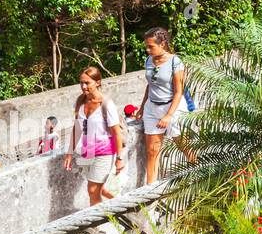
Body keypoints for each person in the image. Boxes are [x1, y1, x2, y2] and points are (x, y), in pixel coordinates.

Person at [64, 67, 125, 205]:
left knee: (92, 190)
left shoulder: (106, 104)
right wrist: (69, 153)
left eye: (87, 83)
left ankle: (97, 225)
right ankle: (126, 206)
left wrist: (119, 158)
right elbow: (77, 128)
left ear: (97, 82)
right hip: (87, 152)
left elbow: (116, 132)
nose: (83, 86)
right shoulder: (80, 101)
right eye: (81, 83)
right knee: (100, 189)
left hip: (104, 153)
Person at [136, 27, 189, 185]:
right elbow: (150, 85)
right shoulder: (148, 61)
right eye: (146, 46)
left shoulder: (175, 62)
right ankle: (150, 192)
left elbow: (179, 91)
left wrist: (168, 115)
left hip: (173, 106)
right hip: (152, 107)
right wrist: (141, 107)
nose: (147, 50)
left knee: (183, 145)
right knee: (152, 151)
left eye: (151, 46)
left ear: (163, 44)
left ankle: (201, 171)